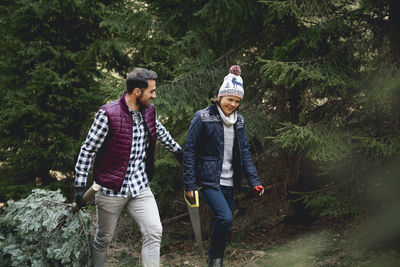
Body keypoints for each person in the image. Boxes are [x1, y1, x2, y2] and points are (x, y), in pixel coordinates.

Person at [74, 67, 183, 267]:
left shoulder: (149, 111)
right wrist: (80, 187)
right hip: (110, 189)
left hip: (140, 186)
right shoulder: (107, 115)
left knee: (154, 231)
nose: (155, 95)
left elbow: (159, 130)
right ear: (137, 92)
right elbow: (87, 150)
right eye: (151, 91)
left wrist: (178, 152)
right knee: (103, 239)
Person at [183, 65, 264, 267]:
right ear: (220, 97)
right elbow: (190, 150)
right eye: (229, 99)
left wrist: (255, 181)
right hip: (208, 180)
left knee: (226, 223)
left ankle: (216, 260)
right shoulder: (202, 116)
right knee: (225, 218)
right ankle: (214, 261)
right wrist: (189, 184)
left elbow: (244, 152)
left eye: (237, 101)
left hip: (229, 180)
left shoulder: (240, 122)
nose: (233, 104)